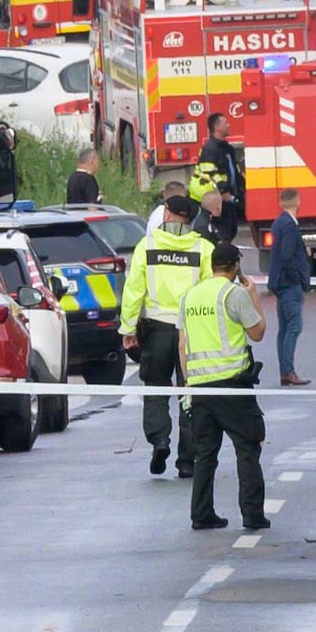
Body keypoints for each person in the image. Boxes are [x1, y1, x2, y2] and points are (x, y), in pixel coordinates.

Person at [177, 223, 270, 536]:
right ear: (235, 267)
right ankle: (253, 514)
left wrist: (188, 383)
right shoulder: (234, 293)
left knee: (206, 453)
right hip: (232, 385)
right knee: (247, 447)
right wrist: (253, 295)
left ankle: (201, 514)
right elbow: (257, 333)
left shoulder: (189, 297)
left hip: (200, 387)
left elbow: (183, 343)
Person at [124, 198, 212, 478]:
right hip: (192, 331)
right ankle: (187, 459)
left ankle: (160, 440)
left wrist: (127, 328)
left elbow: (134, 290)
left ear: (167, 214)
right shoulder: (203, 249)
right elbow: (210, 292)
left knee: (156, 388)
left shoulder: (147, 246)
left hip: (157, 330)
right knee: (190, 392)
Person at [262, 194, 312, 387]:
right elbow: (287, 255)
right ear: (298, 202)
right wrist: (297, 277)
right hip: (289, 284)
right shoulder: (290, 225)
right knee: (294, 326)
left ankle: (285, 371)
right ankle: (288, 371)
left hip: (279, 282)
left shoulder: (279, 222)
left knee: (284, 328)